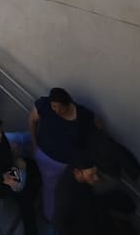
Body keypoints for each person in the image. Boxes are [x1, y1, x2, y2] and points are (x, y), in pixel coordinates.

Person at [29, 87, 103, 221]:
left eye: (58, 107)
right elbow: (32, 119)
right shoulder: (45, 106)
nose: (55, 110)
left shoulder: (82, 115)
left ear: (68, 103)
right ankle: (51, 217)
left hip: (68, 164)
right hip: (46, 159)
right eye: (53, 107)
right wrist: (34, 145)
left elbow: (97, 127)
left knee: (67, 191)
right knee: (49, 189)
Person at [53, 158, 136, 235]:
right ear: (77, 173)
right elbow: (60, 223)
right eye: (91, 175)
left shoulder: (75, 175)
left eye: (95, 173)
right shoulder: (67, 198)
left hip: (91, 215)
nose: (96, 178)